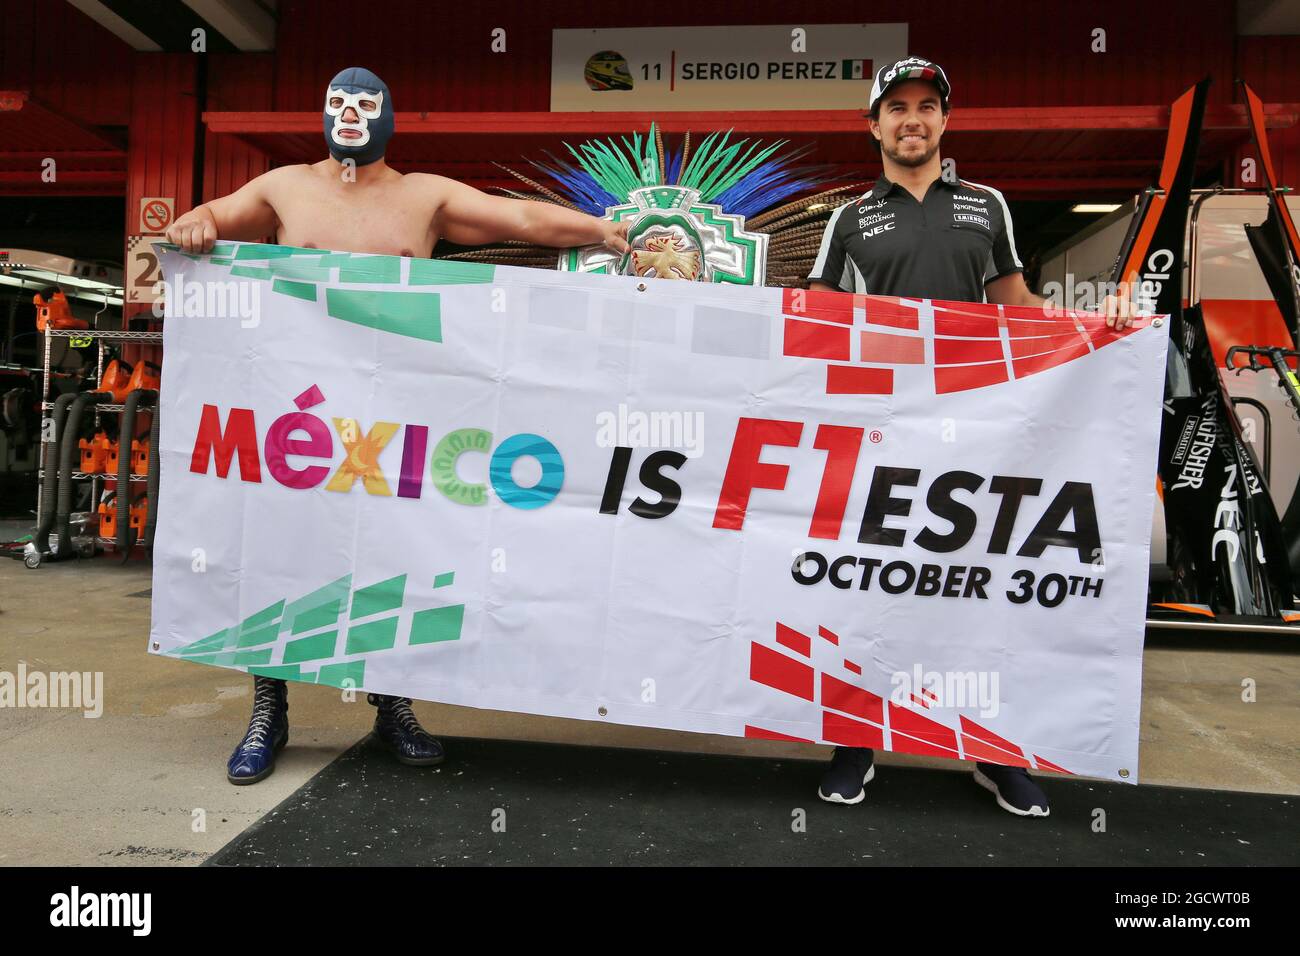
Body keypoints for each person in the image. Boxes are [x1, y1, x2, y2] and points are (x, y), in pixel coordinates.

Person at [166, 66, 630, 785]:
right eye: (339, 104)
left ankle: (392, 702)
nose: (350, 115)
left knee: (391, 550)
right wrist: (194, 221)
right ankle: (268, 706)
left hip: (398, 419)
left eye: (365, 104)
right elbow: (212, 219)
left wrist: (604, 230)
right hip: (298, 412)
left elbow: (524, 221)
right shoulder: (285, 187)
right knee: (277, 540)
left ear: (388, 116)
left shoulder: (425, 197)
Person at [807, 57, 1135, 817]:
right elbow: (818, 318)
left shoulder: (986, 205)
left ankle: (992, 753)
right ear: (874, 124)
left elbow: (1016, 306)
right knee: (874, 584)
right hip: (888, 429)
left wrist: (1097, 323)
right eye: (897, 107)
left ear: (945, 121)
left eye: (927, 106)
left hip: (983, 429)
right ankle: (857, 741)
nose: (912, 119)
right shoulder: (849, 219)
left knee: (977, 589)